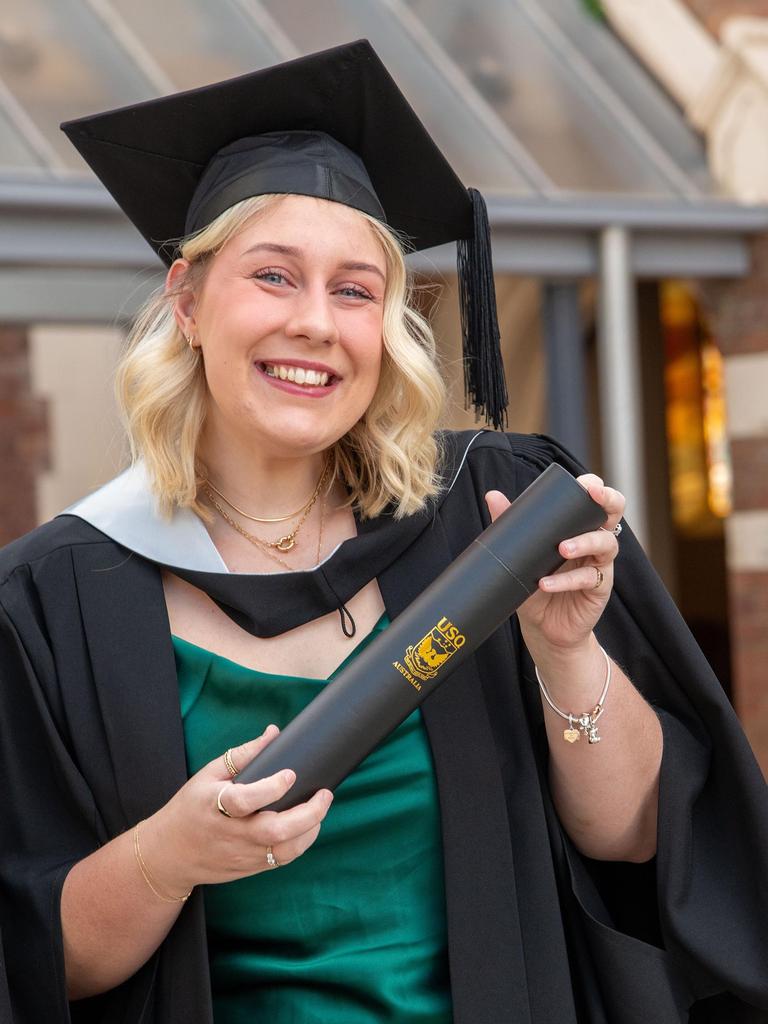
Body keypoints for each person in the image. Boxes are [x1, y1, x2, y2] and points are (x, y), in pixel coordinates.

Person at [0, 40, 766, 1024]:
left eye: (356, 289)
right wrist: (168, 855)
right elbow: (40, 958)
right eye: (274, 276)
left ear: (389, 325)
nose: (316, 322)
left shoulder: (492, 516)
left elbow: (636, 841)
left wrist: (566, 652)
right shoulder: (51, 601)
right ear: (186, 300)